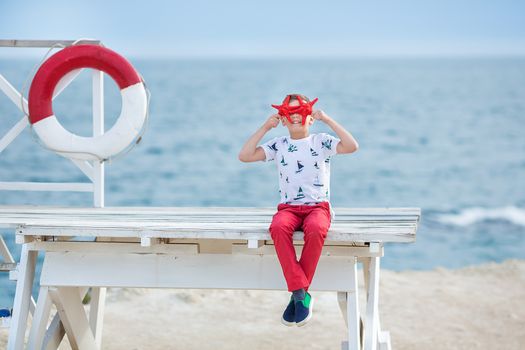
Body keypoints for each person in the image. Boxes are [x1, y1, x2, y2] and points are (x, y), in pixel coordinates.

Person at [238, 94, 359, 327]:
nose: (295, 116)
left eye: (301, 112)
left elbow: (352, 146)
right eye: (289, 113)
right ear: (283, 119)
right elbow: (245, 156)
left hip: (318, 207)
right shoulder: (279, 145)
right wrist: (265, 127)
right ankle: (301, 293)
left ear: (310, 118)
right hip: (289, 208)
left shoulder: (321, 141)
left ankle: (297, 294)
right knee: (278, 227)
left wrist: (328, 119)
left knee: (316, 229)